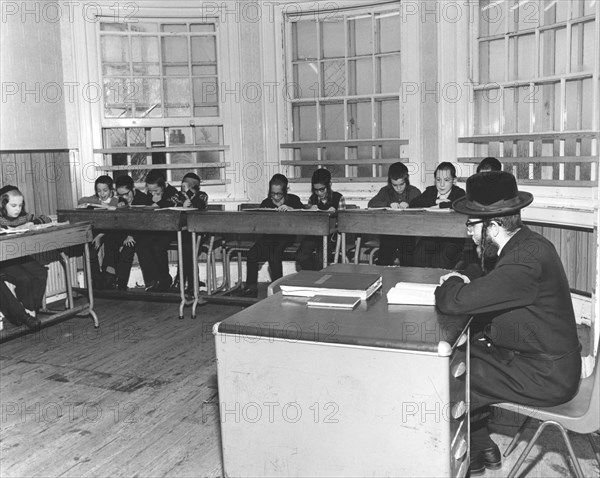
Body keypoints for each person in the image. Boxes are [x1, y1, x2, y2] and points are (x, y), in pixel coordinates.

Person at [435, 171, 581, 476]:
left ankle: (453, 456)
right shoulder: (527, 244)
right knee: (469, 352)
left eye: (472, 225)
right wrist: (469, 279)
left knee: (452, 375)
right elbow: (493, 281)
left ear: (494, 226)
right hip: (543, 360)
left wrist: (449, 282)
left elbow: (453, 302)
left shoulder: (522, 262)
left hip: (548, 376)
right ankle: (480, 444)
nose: (468, 233)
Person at [239, 174, 304, 298]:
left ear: (285, 191)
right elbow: (260, 223)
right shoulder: (266, 202)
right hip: (269, 237)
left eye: (278, 194)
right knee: (252, 254)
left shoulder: (294, 200)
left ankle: (277, 291)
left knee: (274, 255)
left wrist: (291, 209)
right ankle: (251, 288)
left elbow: (305, 215)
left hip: (287, 236)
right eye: (272, 193)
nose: (275, 197)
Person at [0, 185, 52, 329]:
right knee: (24, 278)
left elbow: (46, 219)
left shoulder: (23, 216)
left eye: (20, 205)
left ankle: (30, 309)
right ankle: (24, 315)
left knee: (41, 273)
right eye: (13, 205)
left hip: (19, 256)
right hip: (3, 259)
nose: (17, 209)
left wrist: (32, 223)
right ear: (2, 205)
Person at [135, 169, 186, 292]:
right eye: (150, 190)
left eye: (156, 190)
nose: (152, 193)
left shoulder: (173, 192)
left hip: (170, 229)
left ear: (164, 186)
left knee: (158, 247)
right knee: (142, 245)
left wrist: (159, 203)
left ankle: (164, 279)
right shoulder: (150, 194)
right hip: (154, 228)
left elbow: (175, 202)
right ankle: (151, 280)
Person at [409, 162, 466, 269]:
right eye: (438, 180)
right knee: (418, 257)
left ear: (454, 180)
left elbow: (461, 204)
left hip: (453, 238)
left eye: (447, 180)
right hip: (431, 236)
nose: (442, 185)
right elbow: (414, 204)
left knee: (440, 261)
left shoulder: (459, 193)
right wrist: (436, 200)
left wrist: (441, 205)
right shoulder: (430, 191)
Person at [368, 162, 421, 266]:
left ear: (407, 179)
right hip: (389, 233)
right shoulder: (385, 191)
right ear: (390, 182)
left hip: (408, 234)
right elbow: (371, 204)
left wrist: (411, 204)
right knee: (384, 260)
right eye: (395, 185)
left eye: (401, 184)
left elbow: (423, 207)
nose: (398, 188)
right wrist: (388, 204)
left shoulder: (414, 192)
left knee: (409, 262)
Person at [296, 169, 345, 271]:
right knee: (301, 256)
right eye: (316, 190)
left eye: (322, 189)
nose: (319, 193)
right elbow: (306, 222)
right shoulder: (312, 199)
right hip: (314, 234)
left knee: (322, 258)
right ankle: (314, 275)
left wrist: (335, 213)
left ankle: (317, 278)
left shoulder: (338, 198)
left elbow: (343, 222)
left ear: (329, 185)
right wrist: (310, 211)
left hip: (330, 235)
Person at [77, 175, 119, 289]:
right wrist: (97, 202)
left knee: (111, 246)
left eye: (105, 190)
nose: (102, 194)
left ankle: (109, 276)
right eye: (99, 191)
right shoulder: (97, 199)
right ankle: (97, 279)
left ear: (111, 190)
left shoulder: (115, 201)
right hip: (97, 229)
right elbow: (81, 200)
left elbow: (116, 220)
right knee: (89, 249)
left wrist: (100, 236)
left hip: (111, 231)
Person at [172, 172, 209, 295]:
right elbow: (169, 205)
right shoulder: (177, 196)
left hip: (198, 232)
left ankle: (181, 280)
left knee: (187, 248)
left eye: (189, 185)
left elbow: (200, 205)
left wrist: (189, 196)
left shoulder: (202, 196)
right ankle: (192, 282)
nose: (185, 188)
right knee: (187, 247)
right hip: (181, 232)